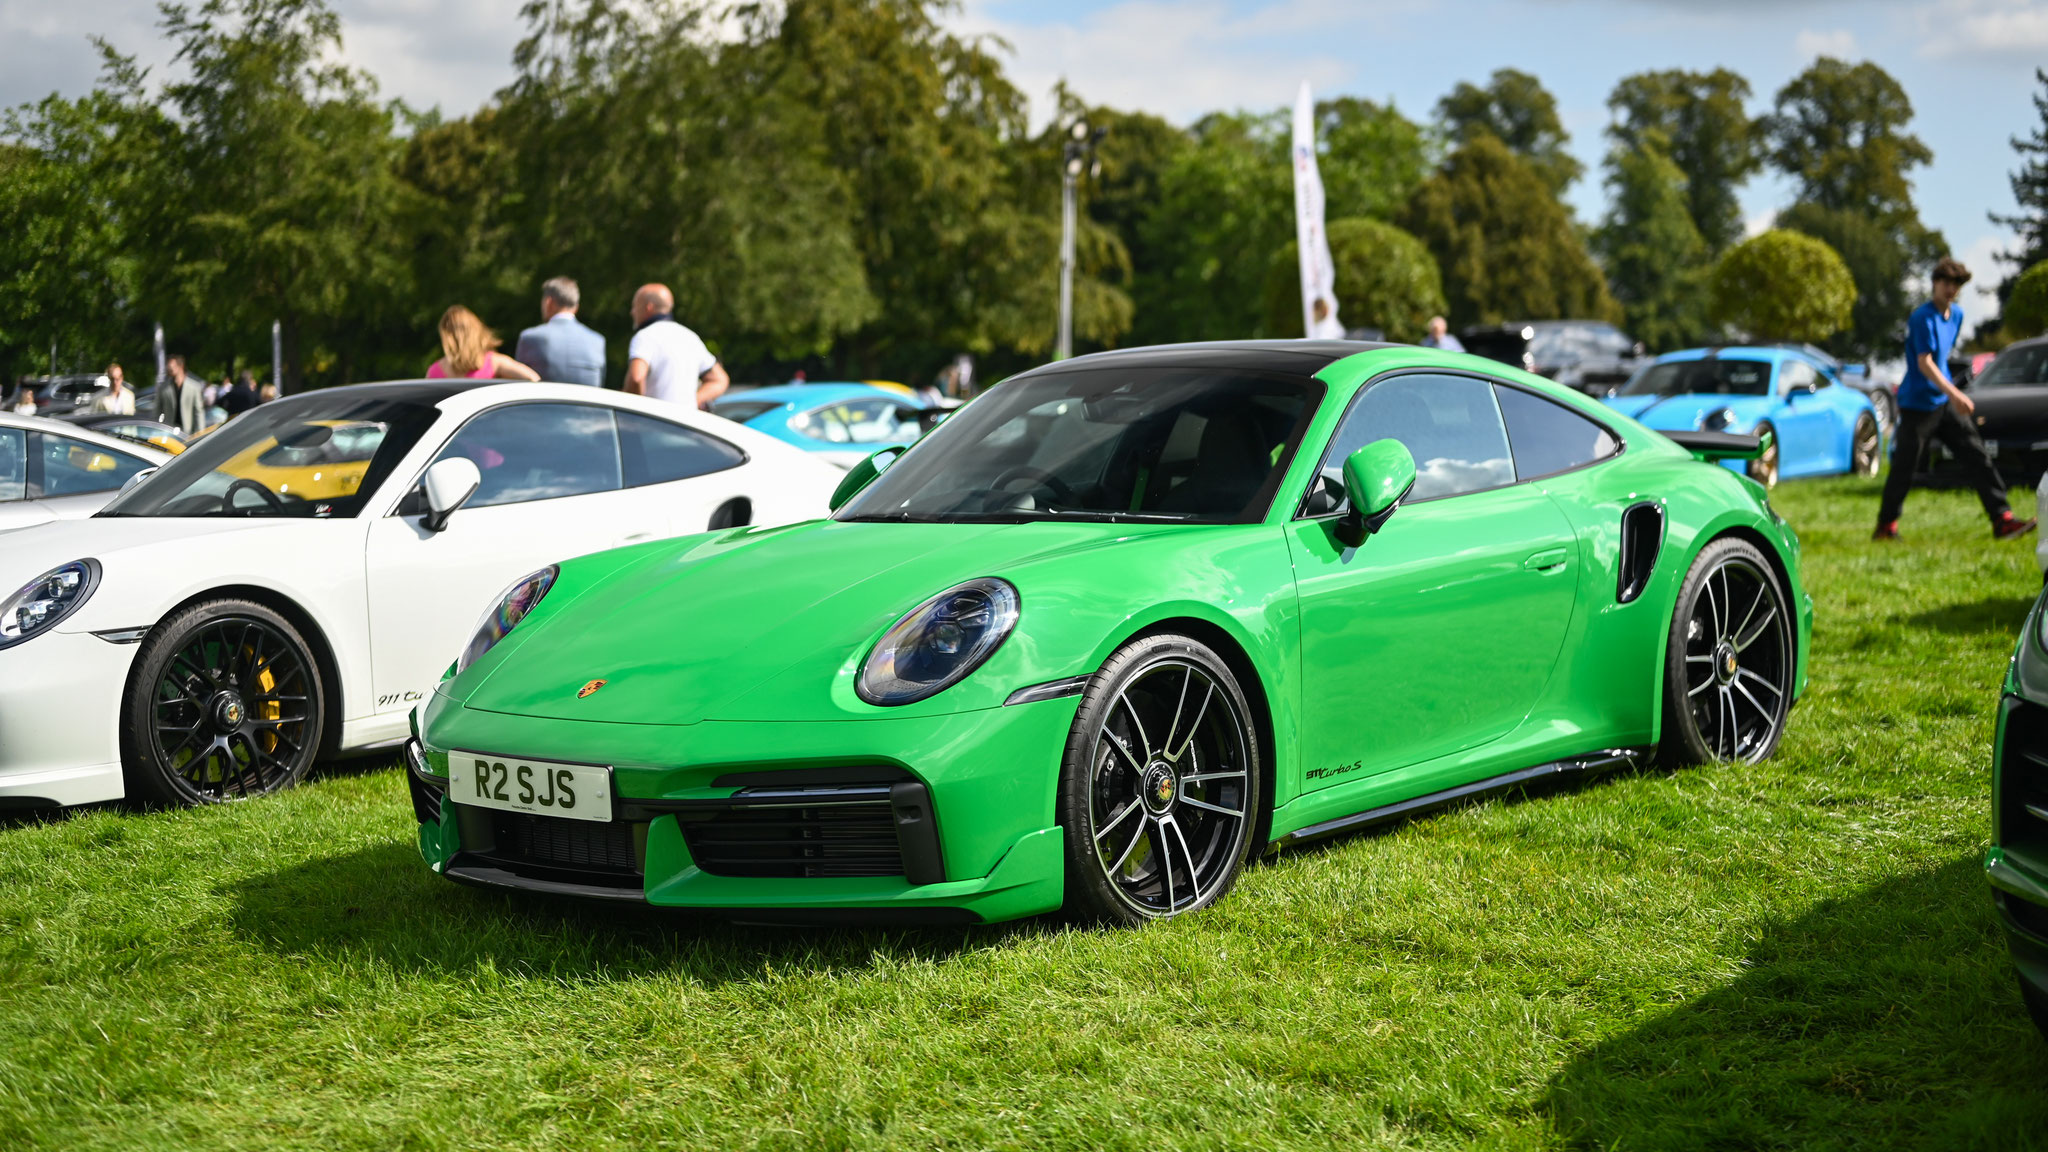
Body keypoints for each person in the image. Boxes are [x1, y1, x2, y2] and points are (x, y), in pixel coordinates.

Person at [1875, 257, 2035, 541]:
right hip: (1918, 405)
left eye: (1956, 285)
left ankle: (2003, 519)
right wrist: (1956, 393)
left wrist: (1950, 394)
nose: (1951, 289)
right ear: (1935, 283)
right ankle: (1886, 527)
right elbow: (1925, 363)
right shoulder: (1921, 317)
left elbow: (1943, 359)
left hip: (1943, 403)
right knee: (1905, 467)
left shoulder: (1957, 315)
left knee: (1976, 455)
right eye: (1946, 283)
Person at [623, 283, 728, 408]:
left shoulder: (645, 336)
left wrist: (633, 411)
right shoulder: (690, 337)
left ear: (648, 307)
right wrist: (691, 402)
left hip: (653, 423)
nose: (632, 312)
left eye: (635, 306)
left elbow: (636, 377)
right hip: (683, 423)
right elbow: (720, 379)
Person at [513, 276, 606, 387]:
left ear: (549, 302)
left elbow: (519, 385)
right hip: (586, 405)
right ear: (576, 307)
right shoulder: (597, 341)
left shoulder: (530, 337)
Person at [427, 306, 542, 382]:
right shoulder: (494, 363)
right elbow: (534, 379)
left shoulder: (434, 372)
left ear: (446, 337)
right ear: (476, 332)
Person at [160, 355, 206, 435]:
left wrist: (199, 433)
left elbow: (199, 412)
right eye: (168, 366)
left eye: (172, 366)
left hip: (188, 433)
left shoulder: (194, 387)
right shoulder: (163, 387)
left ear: (180, 366)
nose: (169, 368)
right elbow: (157, 411)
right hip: (168, 433)